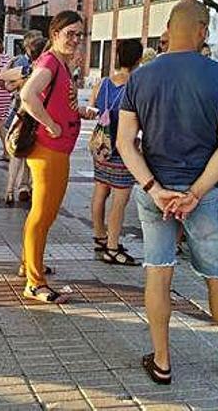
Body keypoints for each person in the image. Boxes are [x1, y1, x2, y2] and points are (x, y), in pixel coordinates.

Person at [116, 0, 218, 384]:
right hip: (205, 194)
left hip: (155, 193)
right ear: (201, 29)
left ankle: (162, 362)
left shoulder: (140, 77)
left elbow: (125, 142)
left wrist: (154, 187)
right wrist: (196, 192)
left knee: (158, 274)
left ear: (168, 28)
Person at [18, 10, 95, 303]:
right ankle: (35, 282)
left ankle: (29, 263)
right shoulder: (51, 61)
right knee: (43, 214)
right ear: (54, 35)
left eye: (79, 34)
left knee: (43, 213)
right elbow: (28, 94)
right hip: (48, 149)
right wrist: (50, 125)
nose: (75, 39)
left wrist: (81, 112)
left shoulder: (60, 63)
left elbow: (61, 100)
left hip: (57, 149)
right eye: (69, 34)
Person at [89, 39, 144, 266]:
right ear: (138, 59)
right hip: (124, 148)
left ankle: (100, 236)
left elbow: (92, 108)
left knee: (101, 192)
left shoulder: (103, 83)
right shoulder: (137, 85)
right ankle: (112, 247)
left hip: (102, 147)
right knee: (120, 201)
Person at [1, 33, 46, 206]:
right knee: (31, 154)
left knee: (16, 154)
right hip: (38, 116)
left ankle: (10, 189)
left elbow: (5, 78)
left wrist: (16, 77)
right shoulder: (45, 69)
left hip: (20, 114)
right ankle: (27, 187)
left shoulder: (26, 68)